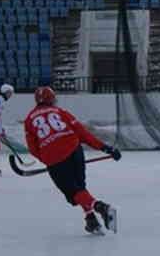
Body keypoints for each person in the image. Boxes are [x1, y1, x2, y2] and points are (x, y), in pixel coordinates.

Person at [24, 86, 121, 235]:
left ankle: (101, 207)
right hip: (75, 150)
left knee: (74, 193)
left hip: (53, 157)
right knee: (80, 188)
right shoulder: (60, 112)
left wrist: (48, 161)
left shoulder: (29, 119)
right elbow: (83, 133)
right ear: (51, 99)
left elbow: (33, 148)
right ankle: (91, 220)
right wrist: (105, 148)